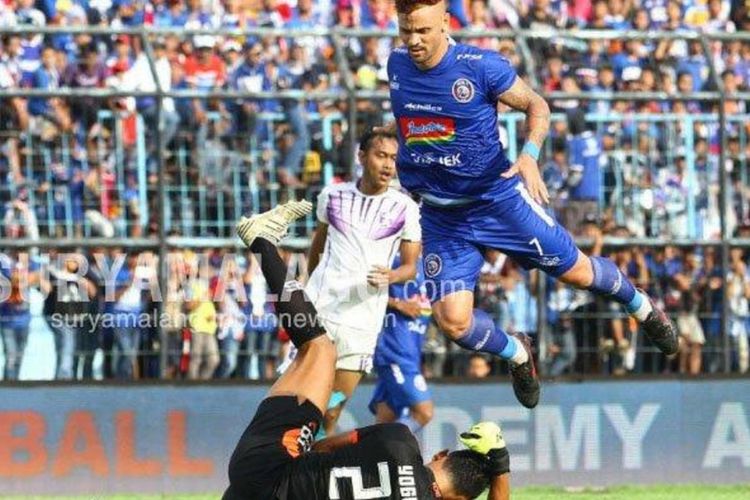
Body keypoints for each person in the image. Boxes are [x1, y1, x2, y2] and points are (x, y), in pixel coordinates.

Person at [381, 0, 679, 408]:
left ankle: (640, 305)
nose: (413, 40)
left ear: (446, 23)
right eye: (406, 30)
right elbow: (408, 122)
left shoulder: (481, 66)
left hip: (496, 199)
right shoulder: (396, 64)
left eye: (423, 31)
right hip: (441, 214)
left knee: (575, 273)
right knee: (452, 322)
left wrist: (529, 155)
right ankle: (518, 353)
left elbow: (537, 105)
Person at [227, 200, 511, 500]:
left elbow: (326, 446)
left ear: (440, 456)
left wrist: (499, 461)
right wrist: (500, 472)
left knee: (319, 350)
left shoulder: (399, 438)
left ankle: (262, 242)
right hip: (262, 488)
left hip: (266, 468)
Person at [305, 128, 422, 436]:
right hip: (321, 312)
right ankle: (284, 473)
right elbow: (317, 248)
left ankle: (309, 474)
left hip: (363, 320)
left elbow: (410, 267)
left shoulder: (405, 208)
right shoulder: (332, 196)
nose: (387, 165)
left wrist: (392, 275)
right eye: (381, 155)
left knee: (332, 409)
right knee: (302, 403)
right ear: (362, 156)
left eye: (394, 159)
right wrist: (308, 294)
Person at [369, 252, 434, 433]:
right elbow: (365, 290)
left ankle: (370, 457)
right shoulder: (396, 260)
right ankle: (385, 447)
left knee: (385, 421)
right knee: (424, 413)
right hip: (394, 351)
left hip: (410, 352)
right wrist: (397, 303)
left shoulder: (429, 265)